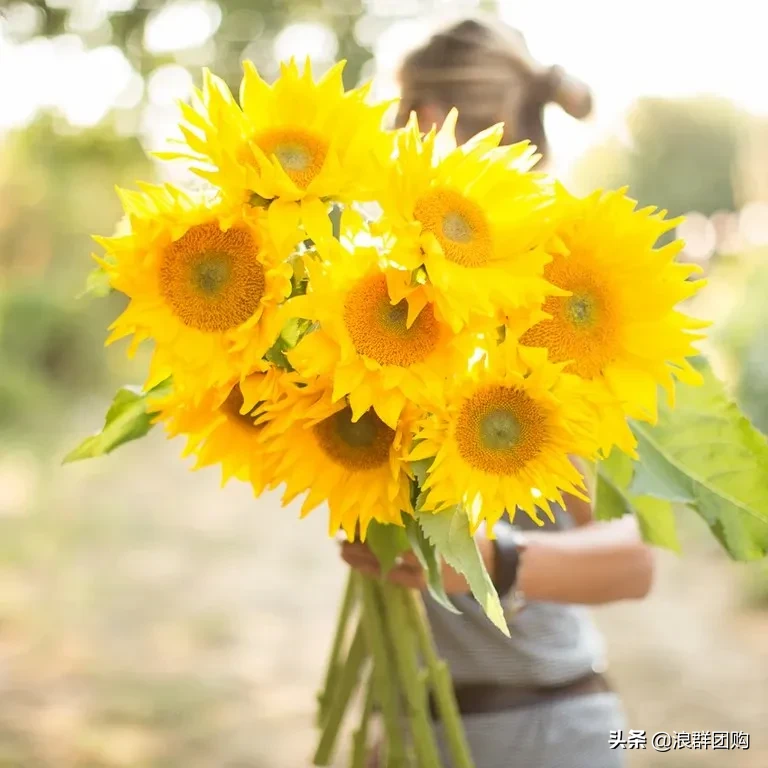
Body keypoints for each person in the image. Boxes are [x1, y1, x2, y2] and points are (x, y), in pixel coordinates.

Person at [341, 16, 653, 768]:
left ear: (419, 125)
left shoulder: (568, 309)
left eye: (397, 125)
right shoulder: (377, 306)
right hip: (419, 726)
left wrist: (494, 558)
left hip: (542, 732)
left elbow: (632, 558)